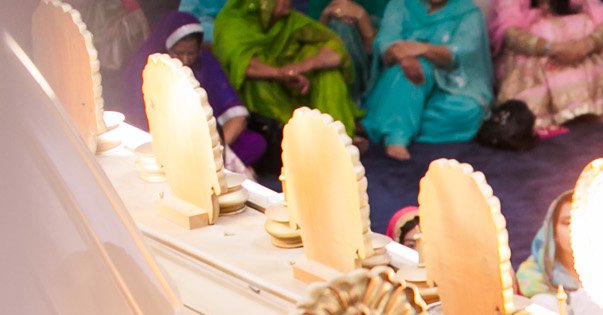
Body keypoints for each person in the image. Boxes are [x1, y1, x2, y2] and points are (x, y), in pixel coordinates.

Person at [120, 12, 273, 175]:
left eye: (191, 53)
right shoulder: (147, 69)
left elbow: (238, 117)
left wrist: (213, 152)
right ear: (166, 47)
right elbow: (148, 124)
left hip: (210, 140)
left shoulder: (206, 63)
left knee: (255, 143)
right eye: (178, 53)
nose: (185, 60)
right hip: (170, 143)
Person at [489, 0, 603, 135]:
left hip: (580, 51)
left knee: (581, 24)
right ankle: (554, 109)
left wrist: (584, 45)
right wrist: (554, 48)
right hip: (540, 56)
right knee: (545, 29)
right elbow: (511, 34)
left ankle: (590, 103)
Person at [361, 0, 490, 161]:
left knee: (470, 111)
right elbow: (386, 44)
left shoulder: (467, 11)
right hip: (403, 79)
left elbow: (463, 52)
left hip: (449, 84)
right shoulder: (400, 5)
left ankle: (387, 119)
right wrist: (405, 58)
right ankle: (396, 134)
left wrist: (423, 49)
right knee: (411, 73)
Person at [211, 0, 358, 136]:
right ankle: (292, 135)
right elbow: (243, 63)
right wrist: (279, 73)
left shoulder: (291, 21)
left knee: (327, 72)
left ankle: (336, 136)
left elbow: (335, 49)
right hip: (248, 95)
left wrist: (300, 67)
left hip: (295, 86)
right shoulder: (232, 21)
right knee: (257, 84)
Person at [515, 191, 603, 315]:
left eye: (583, 221)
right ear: (553, 231)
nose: (575, 229)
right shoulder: (533, 276)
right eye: (567, 222)